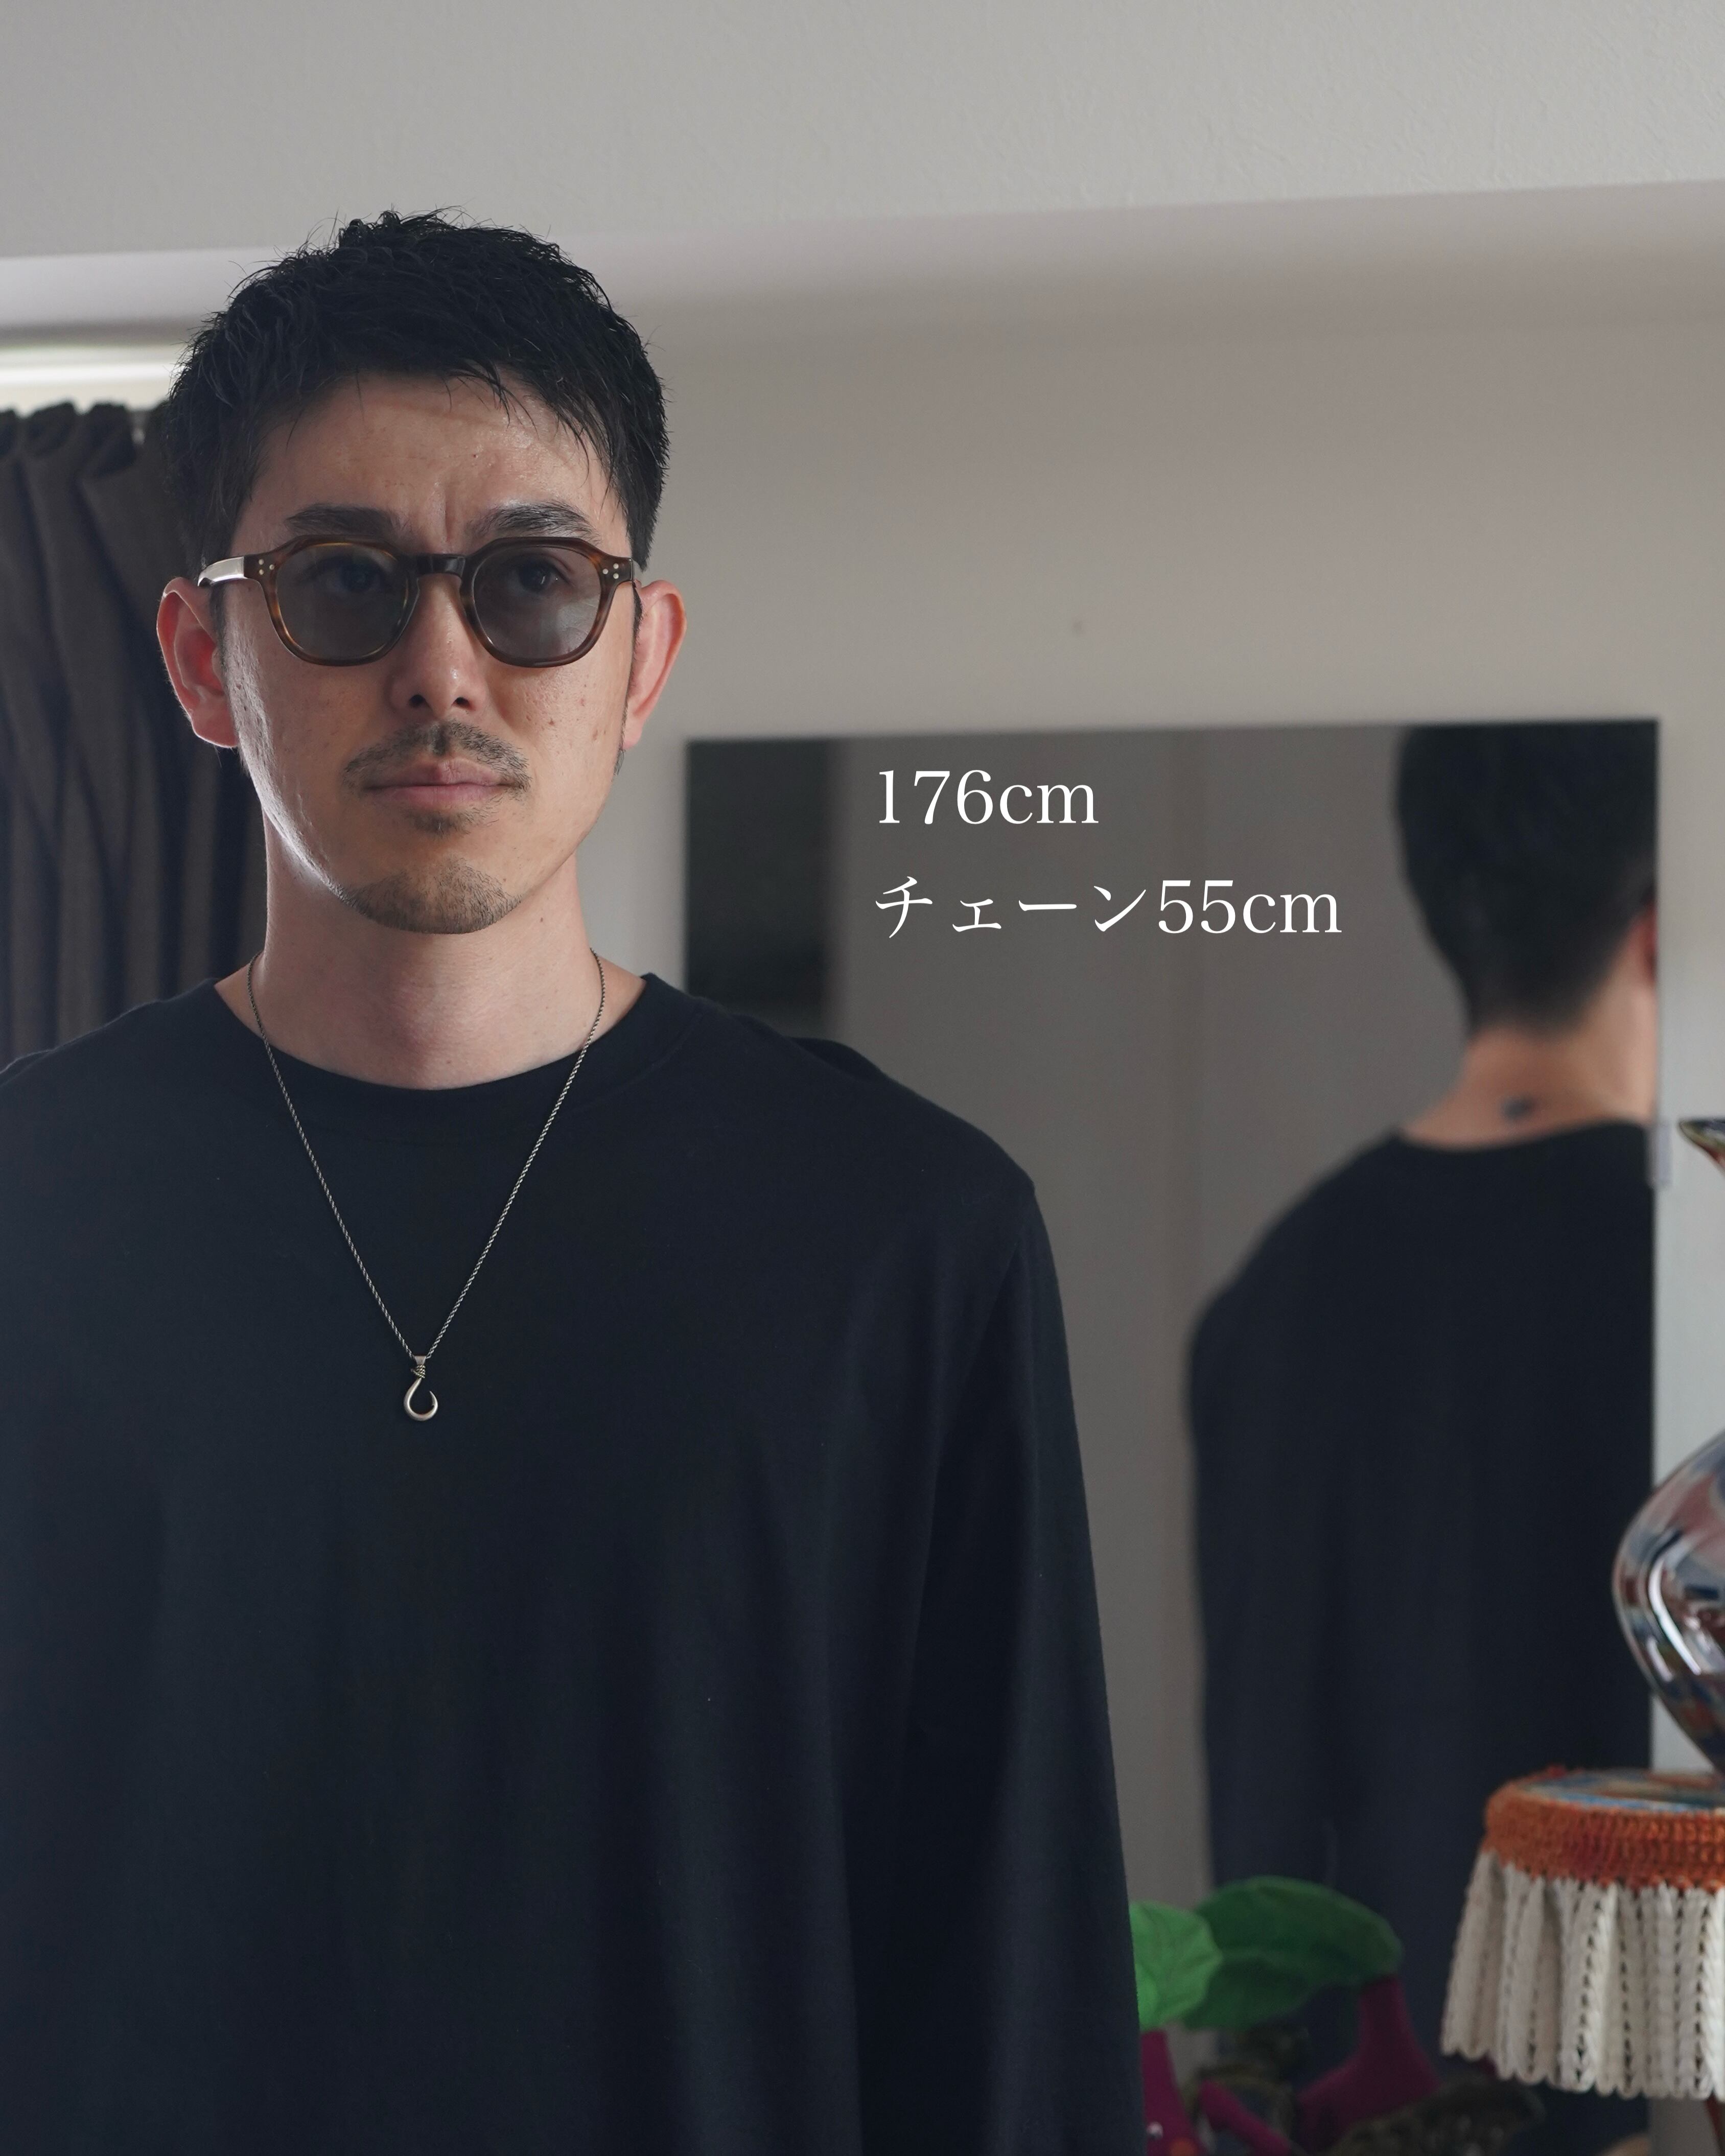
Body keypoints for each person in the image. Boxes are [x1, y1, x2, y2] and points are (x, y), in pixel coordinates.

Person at [0, 213, 1141, 2155]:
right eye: (342, 583)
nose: (440, 666)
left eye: (531, 582)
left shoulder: (906, 1241)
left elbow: (1009, 1997)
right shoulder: (30, 1217)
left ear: (639, 654)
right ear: (203, 655)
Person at [1191, 721, 1657, 2156]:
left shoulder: (1268, 1301)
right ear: (1657, 927)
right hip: (1638, 2108)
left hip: (1336, 2109)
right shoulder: (1684, 1276)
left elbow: (1264, 1791)